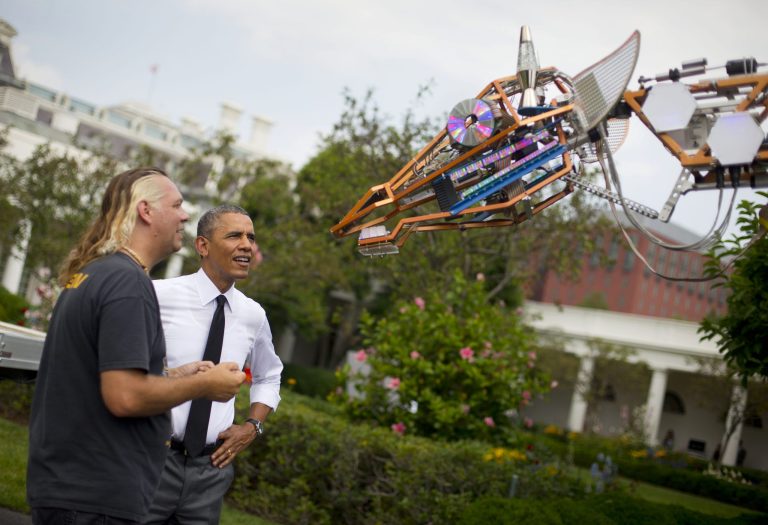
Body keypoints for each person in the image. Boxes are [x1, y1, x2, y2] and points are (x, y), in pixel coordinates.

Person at [27, 168, 246, 524]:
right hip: (93, 497)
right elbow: (124, 396)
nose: (185, 215)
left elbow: (99, 376)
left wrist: (172, 375)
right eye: (176, 205)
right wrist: (205, 384)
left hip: (71, 489)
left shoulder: (98, 273)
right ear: (146, 211)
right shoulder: (128, 283)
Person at [144, 204, 282, 524]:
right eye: (235, 235)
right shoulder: (157, 294)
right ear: (203, 246)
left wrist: (253, 426)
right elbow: (124, 369)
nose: (247, 244)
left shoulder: (253, 314)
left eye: (250, 237)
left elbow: (269, 375)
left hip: (211, 471)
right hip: (152, 458)